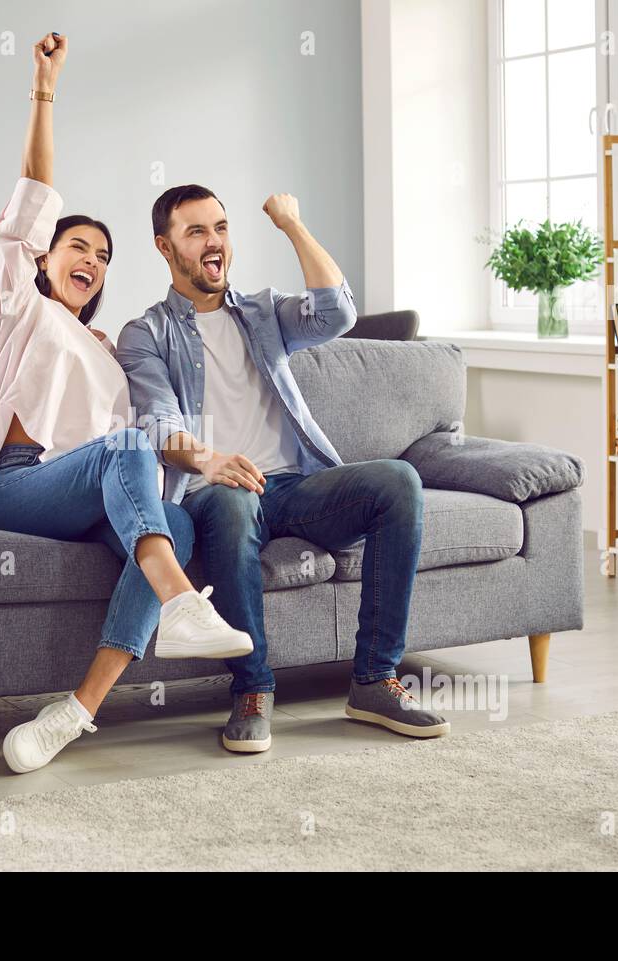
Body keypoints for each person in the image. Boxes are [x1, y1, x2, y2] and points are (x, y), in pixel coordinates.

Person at [0, 34, 252, 775]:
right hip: (18, 486)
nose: (92, 260)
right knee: (131, 454)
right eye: (78, 246)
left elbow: (145, 440)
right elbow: (33, 190)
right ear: (44, 255)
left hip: (92, 492)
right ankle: (183, 604)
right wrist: (45, 89)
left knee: (180, 520)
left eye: (103, 255)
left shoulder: (107, 349)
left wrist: (207, 458)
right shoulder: (18, 312)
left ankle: (76, 709)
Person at [116, 184, 450, 755]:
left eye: (220, 228)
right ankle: (252, 688)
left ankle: (373, 679)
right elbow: (156, 420)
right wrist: (209, 459)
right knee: (229, 498)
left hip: (293, 487)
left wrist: (292, 226)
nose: (214, 242)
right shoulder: (147, 334)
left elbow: (337, 312)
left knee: (399, 482)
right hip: (212, 492)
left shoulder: (263, 312)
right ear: (165, 248)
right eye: (195, 232)